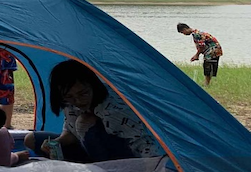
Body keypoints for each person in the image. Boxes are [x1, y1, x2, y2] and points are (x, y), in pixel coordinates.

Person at [23, 60, 162, 163]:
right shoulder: (69, 102)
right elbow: (72, 133)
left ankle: (100, 171)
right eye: (70, 97)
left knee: (84, 122)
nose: (78, 101)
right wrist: (56, 143)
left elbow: (143, 143)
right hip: (87, 148)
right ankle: (84, 165)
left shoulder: (113, 109)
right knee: (31, 139)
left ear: (93, 86)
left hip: (121, 157)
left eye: (83, 94)